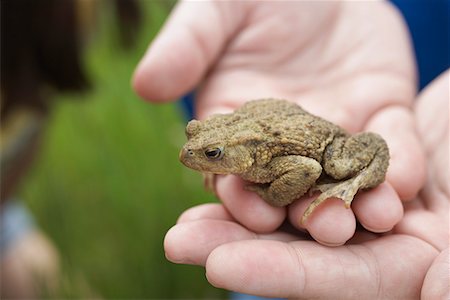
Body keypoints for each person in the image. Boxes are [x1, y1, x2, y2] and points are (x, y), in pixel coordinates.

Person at [133, 1, 448, 299]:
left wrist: (273, 195)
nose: (189, 153)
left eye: (212, 153)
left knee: (337, 170)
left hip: (322, 142)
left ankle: (355, 180)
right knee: (259, 268)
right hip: (276, 124)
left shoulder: (264, 161)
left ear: (241, 154)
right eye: (195, 135)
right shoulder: (238, 145)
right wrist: (213, 163)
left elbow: (309, 168)